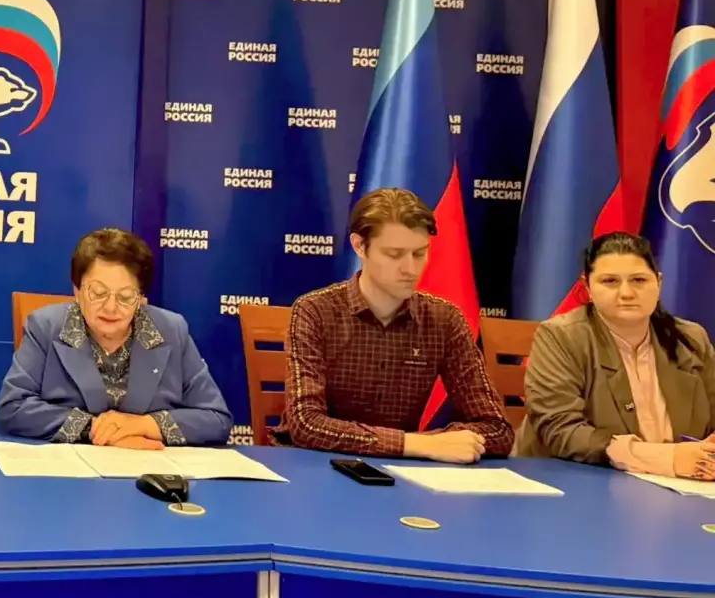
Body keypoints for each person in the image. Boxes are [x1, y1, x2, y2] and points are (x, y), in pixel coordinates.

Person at [277, 187, 513, 462]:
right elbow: (306, 424)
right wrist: (416, 444)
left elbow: (497, 429)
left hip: (398, 470)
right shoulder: (314, 311)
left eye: (419, 253)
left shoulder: (444, 319)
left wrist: (432, 443)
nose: (410, 269)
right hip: (313, 466)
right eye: (394, 254)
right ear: (359, 246)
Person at [0, 227, 231, 447]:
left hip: (150, 463)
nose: (111, 307)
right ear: (77, 291)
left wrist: (144, 425)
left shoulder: (171, 330)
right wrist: (97, 429)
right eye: (98, 293)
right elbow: (13, 407)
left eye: (126, 296)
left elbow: (216, 418)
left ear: (141, 299)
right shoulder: (46, 327)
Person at [516, 232, 715, 478]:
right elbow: (560, 430)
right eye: (610, 281)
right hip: (575, 481)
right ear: (587, 287)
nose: (627, 293)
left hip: (681, 485)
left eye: (639, 280)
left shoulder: (691, 338)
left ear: (659, 283)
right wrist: (664, 458)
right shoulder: (560, 336)